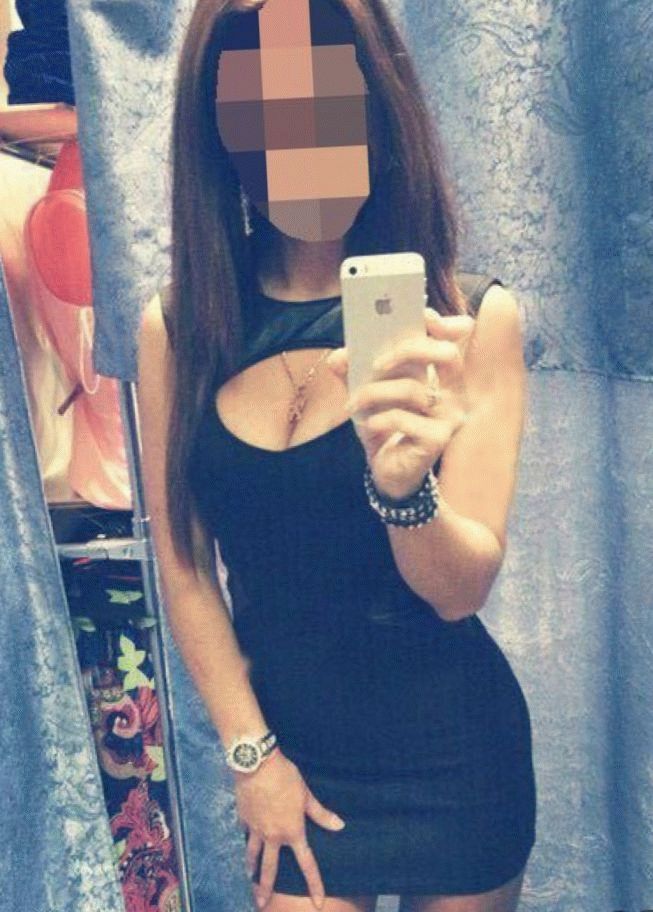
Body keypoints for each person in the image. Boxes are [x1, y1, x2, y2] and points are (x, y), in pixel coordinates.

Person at [136, 1, 537, 911]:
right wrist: (251, 758)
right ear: (221, 130)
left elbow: (458, 591)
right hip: (292, 757)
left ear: (377, 106)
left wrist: (403, 490)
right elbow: (184, 565)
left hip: (456, 762)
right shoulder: (181, 328)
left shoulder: (467, 320)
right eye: (266, 110)